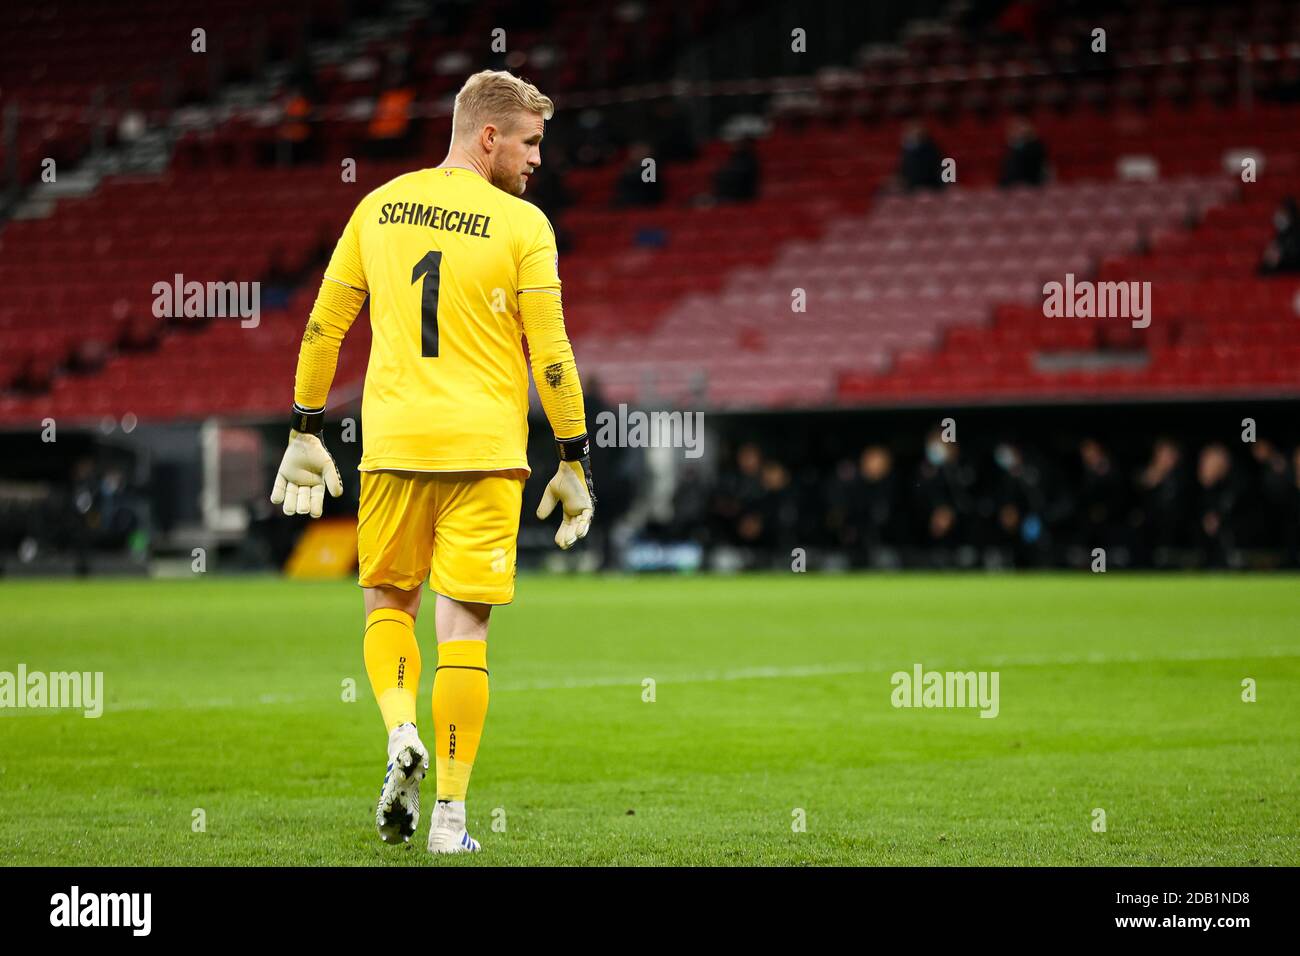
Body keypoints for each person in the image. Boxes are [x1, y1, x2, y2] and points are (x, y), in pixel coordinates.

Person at [268, 70, 595, 855]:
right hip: (485, 453)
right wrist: (574, 456)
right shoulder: (524, 227)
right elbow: (550, 353)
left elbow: (323, 328)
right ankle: (449, 817)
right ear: (489, 137)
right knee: (466, 633)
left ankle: (400, 729)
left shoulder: (377, 207)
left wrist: (305, 429)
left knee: (388, 607)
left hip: (394, 448)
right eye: (531, 142)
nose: (539, 160)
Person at [1258, 197, 1300, 275]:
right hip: (1279, 277)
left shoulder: (1296, 234)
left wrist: (1282, 259)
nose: (1278, 215)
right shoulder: (1280, 236)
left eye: (1283, 212)